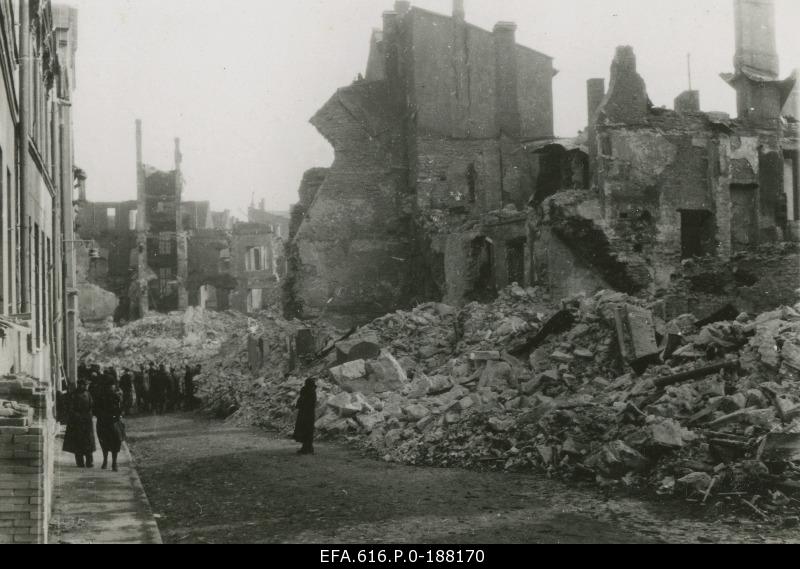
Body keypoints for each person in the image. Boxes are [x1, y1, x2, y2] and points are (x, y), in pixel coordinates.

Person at [94, 375, 125, 471]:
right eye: (110, 386)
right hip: (103, 422)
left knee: (116, 441)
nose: (112, 387)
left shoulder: (116, 396)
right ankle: (105, 460)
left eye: (112, 385)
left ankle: (114, 462)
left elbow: (121, 409)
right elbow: (95, 409)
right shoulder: (100, 397)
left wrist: (118, 413)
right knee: (104, 442)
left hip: (113, 421)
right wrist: (102, 415)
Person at [63, 379, 96, 468]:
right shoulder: (73, 395)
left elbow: (91, 406)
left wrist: (89, 414)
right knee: (77, 442)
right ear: (80, 385)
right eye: (84, 385)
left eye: (86, 385)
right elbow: (70, 408)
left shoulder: (88, 394)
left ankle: (89, 462)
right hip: (76, 422)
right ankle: (80, 462)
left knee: (88, 442)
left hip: (87, 421)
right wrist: (77, 416)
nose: (86, 386)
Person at [293, 378, 317, 455]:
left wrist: (299, 405)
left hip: (304, 414)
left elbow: (301, 402)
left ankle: (306, 449)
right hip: (310, 414)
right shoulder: (312, 391)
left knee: (305, 430)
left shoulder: (306, 391)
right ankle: (309, 448)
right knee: (309, 431)